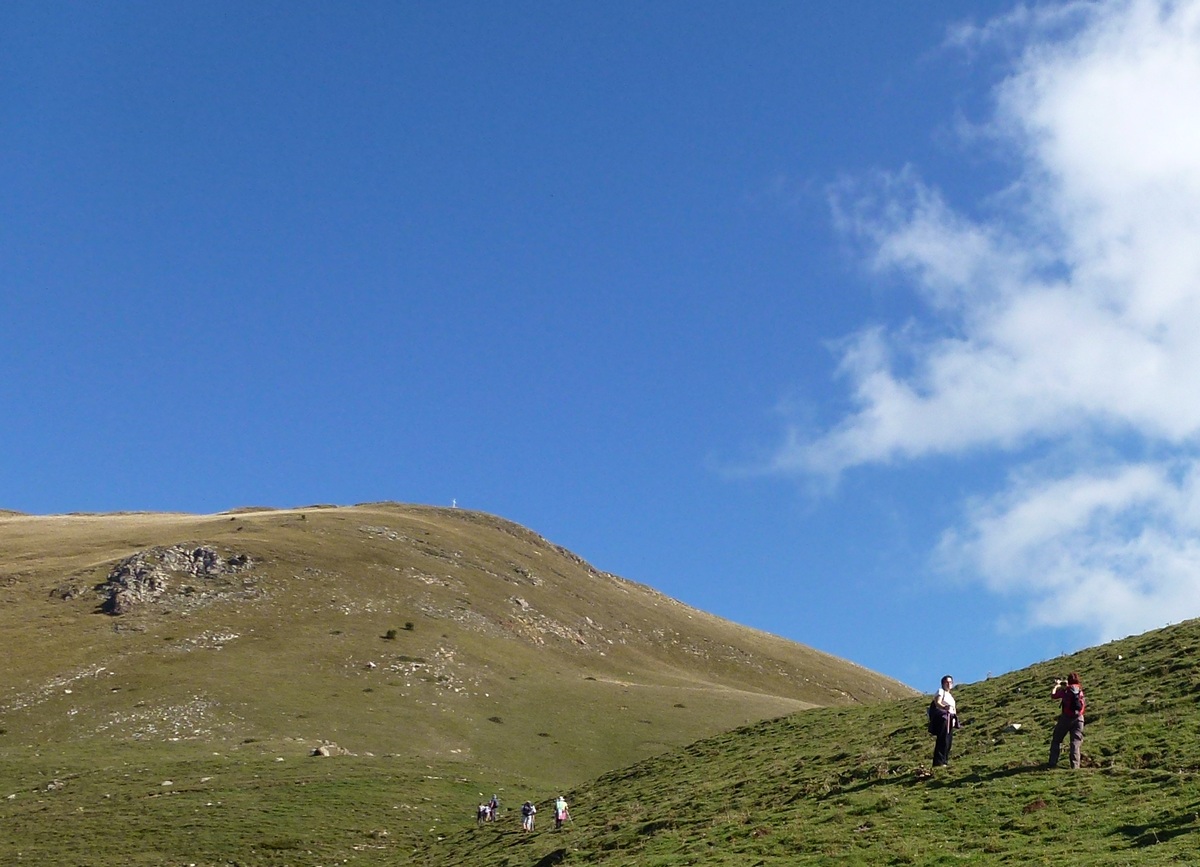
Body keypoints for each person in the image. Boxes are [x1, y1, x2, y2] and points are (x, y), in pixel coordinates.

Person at [1048, 672, 1086, 769]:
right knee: (1075, 743)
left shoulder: (1066, 691)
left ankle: (1052, 763)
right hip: (1079, 719)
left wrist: (1057, 686)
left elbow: (1053, 695)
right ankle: (1075, 766)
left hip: (1066, 718)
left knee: (1056, 740)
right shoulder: (1080, 690)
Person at [931, 674, 958, 767]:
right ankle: (938, 762)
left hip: (950, 719)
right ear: (943, 683)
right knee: (943, 739)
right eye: (947, 682)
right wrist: (944, 707)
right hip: (944, 718)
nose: (949, 684)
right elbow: (937, 702)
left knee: (948, 741)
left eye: (950, 682)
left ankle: (944, 761)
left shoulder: (951, 697)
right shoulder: (941, 691)